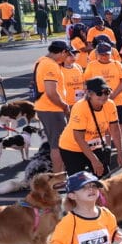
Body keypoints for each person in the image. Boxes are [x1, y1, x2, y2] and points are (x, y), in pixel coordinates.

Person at [59, 77, 122, 176]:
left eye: (107, 92)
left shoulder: (110, 104)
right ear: (89, 94)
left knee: (104, 179)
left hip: (94, 146)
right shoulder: (80, 107)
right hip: (72, 148)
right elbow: (79, 138)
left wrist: (121, 154)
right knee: (78, 183)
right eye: (99, 93)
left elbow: (115, 130)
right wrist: (94, 160)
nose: (103, 96)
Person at [34, 41, 73, 172]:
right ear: (62, 52)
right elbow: (51, 92)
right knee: (58, 145)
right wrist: (64, 106)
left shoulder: (42, 60)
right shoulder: (51, 65)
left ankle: (59, 174)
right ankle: (59, 176)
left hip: (46, 107)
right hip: (52, 109)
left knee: (55, 143)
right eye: (67, 54)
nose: (67, 57)